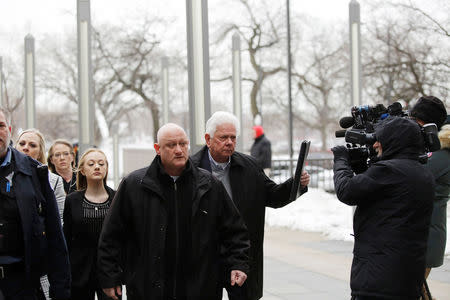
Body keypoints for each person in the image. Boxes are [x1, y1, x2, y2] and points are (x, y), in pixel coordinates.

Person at [97, 123, 250, 300]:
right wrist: (109, 277)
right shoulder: (134, 185)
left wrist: (238, 264)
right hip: (148, 288)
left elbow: (235, 230)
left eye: (183, 144)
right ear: (157, 148)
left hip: (200, 288)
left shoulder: (209, 184)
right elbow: (111, 236)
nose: (179, 150)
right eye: (171, 145)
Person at [191, 111, 310, 300]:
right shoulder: (191, 170)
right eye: (223, 137)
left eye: (233, 137)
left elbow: (272, 196)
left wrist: (296, 184)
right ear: (208, 139)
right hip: (204, 256)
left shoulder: (249, 166)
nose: (229, 142)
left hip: (241, 253)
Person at [332, 116, 435, 300]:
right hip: (407, 278)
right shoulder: (423, 173)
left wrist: (341, 161)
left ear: (394, 141)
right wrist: (363, 169)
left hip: (378, 280)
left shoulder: (388, 171)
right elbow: (386, 199)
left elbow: (346, 191)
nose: (375, 145)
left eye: (381, 139)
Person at [0, 107, 70, 300]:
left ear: (9, 130)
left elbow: (55, 235)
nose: (26, 147)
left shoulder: (35, 174)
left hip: (21, 284)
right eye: (23, 143)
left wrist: (60, 291)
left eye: (1, 126)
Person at [15, 128, 67, 300]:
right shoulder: (7, 176)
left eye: (32, 145)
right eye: (22, 144)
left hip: (41, 254)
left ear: (40, 151)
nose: (26, 148)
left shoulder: (53, 180)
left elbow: (59, 219)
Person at [409, 96, 449, 299]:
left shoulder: (442, 152)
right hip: (419, 233)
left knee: (412, 289)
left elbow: (413, 179)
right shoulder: (429, 146)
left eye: (417, 122)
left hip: (425, 235)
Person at [63, 149, 115, 300]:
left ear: (106, 168)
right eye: (91, 164)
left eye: (101, 163)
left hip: (109, 272)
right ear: (83, 170)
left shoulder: (117, 198)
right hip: (79, 272)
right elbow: (66, 237)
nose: (97, 167)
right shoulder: (72, 201)